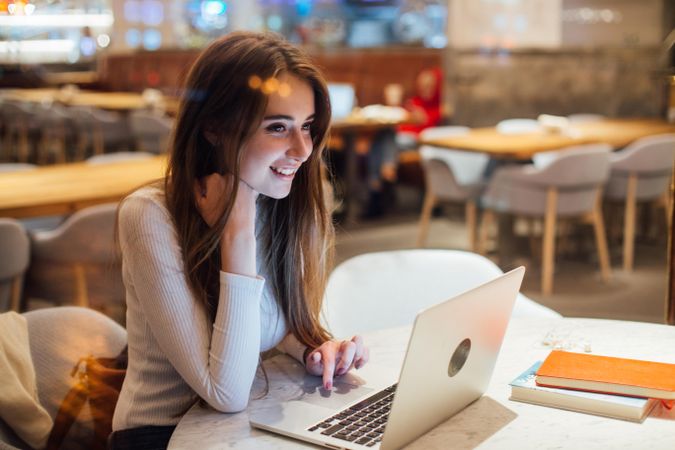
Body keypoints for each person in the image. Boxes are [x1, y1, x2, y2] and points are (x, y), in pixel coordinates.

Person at [110, 31, 369, 449]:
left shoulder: (278, 199)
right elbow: (225, 393)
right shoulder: (150, 215)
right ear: (214, 127)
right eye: (278, 127)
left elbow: (270, 321)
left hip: (245, 423)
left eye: (307, 127)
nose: (303, 150)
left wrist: (313, 346)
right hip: (159, 435)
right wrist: (236, 233)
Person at [363, 67, 444, 218]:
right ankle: (387, 168)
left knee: (383, 138)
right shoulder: (413, 102)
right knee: (384, 136)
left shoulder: (438, 106)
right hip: (399, 141)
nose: (426, 88)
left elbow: (429, 124)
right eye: (423, 85)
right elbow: (399, 120)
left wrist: (421, 117)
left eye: (429, 85)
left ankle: (375, 190)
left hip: (418, 141)